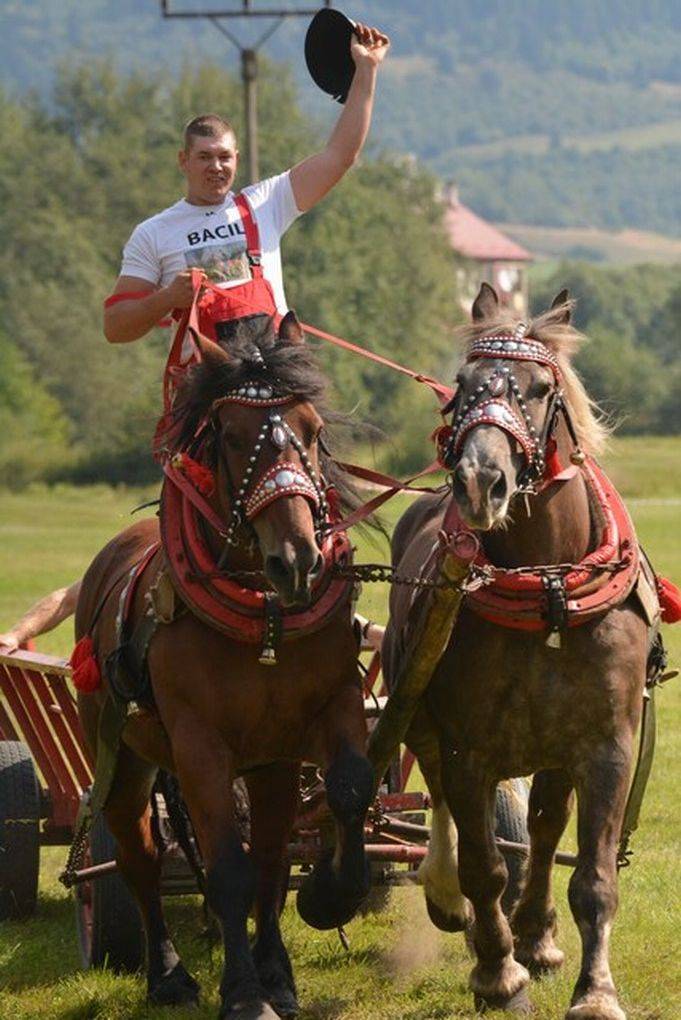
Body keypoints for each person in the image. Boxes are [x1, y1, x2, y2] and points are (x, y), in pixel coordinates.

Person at [1, 22, 389, 657]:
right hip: (208, 407)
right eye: (206, 158)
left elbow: (340, 155)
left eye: (227, 158)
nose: (218, 167)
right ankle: (156, 628)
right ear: (184, 161)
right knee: (192, 527)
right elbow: (115, 324)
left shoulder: (263, 204)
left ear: (238, 163)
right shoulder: (153, 235)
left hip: (279, 392)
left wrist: (366, 71)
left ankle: (334, 611)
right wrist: (165, 299)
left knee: (320, 497)